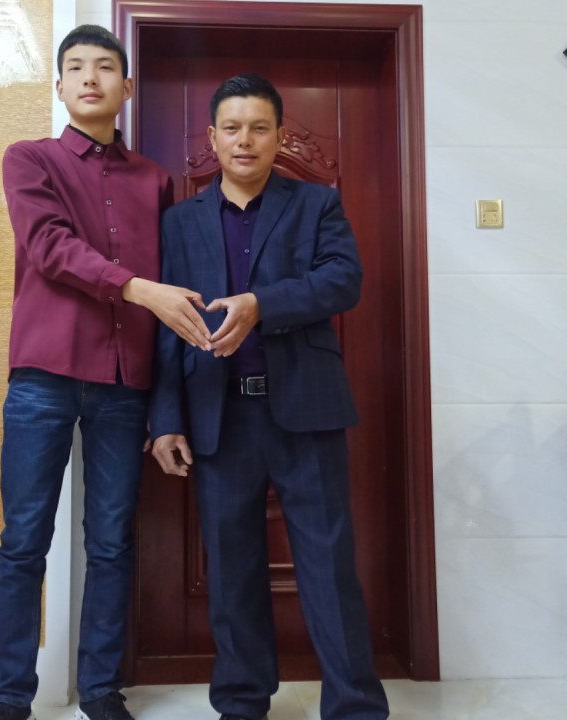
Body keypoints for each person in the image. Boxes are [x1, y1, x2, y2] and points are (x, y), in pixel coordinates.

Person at [0, 25, 211, 720]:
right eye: (75, 67)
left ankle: (102, 690)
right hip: (43, 376)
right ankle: (7, 698)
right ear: (58, 85)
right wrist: (137, 288)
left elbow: (171, 297)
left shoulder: (156, 181)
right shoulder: (29, 159)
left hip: (123, 382)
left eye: (104, 67)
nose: (89, 77)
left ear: (126, 87)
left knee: (111, 542)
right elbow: (48, 246)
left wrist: (165, 409)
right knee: (24, 541)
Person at [150, 75, 390, 720]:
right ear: (212, 138)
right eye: (232, 128)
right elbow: (167, 326)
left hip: (306, 411)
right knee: (231, 571)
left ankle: (356, 707)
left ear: (280, 136)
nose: (245, 140)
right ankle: (241, 701)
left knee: (329, 564)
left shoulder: (317, 204)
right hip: (218, 415)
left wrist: (262, 304)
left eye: (259, 128)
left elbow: (343, 280)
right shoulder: (179, 221)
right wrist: (165, 419)